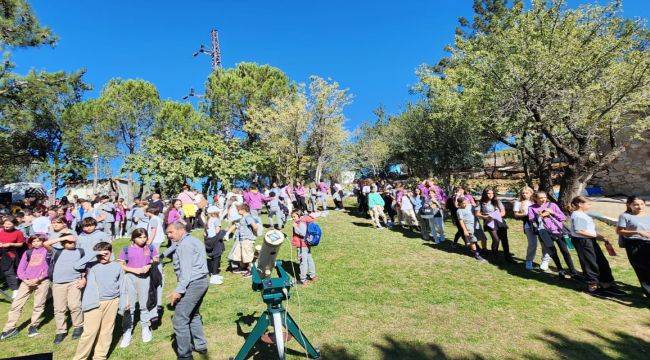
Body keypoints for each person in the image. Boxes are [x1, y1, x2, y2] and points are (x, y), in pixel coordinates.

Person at [72, 242, 124, 360]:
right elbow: (76, 265)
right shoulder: (91, 265)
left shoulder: (117, 266)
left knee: (106, 331)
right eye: (100, 255)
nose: (103, 257)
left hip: (112, 302)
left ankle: (100, 356)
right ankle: (80, 357)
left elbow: (122, 285)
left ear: (111, 253)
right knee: (89, 333)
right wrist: (95, 253)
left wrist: (123, 302)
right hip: (94, 303)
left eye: (106, 254)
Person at [165, 221, 209, 360]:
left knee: (179, 319)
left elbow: (186, 273)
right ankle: (200, 345)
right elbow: (172, 249)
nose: (169, 236)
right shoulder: (192, 240)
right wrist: (160, 256)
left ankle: (185, 356)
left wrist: (178, 291)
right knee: (193, 314)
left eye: (171, 232)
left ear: (181, 230)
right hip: (201, 280)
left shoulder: (184, 245)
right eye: (167, 233)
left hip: (193, 283)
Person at [570, 196, 624, 297]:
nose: (590, 205)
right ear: (580, 204)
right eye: (588, 204)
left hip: (589, 240)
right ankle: (592, 287)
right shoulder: (578, 215)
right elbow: (580, 231)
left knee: (601, 262)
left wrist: (601, 238)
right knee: (590, 263)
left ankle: (607, 285)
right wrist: (597, 236)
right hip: (583, 241)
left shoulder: (582, 214)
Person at [1, 234, 50, 340]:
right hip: (26, 282)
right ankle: (9, 328)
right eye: (34, 241)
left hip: (41, 282)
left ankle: (33, 326)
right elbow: (20, 268)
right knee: (16, 305)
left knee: (38, 305)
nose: (36, 243)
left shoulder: (48, 252)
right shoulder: (28, 252)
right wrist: (25, 280)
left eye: (38, 241)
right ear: (30, 243)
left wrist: (39, 278)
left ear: (43, 241)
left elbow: (49, 268)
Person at [118, 229, 157, 347]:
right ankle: (127, 330)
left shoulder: (150, 247)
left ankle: (145, 327)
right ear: (133, 238)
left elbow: (156, 259)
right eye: (139, 237)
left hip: (145, 278)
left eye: (144, 237)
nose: (143, 240)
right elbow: (121, 265)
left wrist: (149, 265)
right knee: (128, 306)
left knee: (144, 304)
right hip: (129, 278)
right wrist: (135, 270)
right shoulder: (126, 249)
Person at [44, 232, 85, 344]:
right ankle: (61, 331)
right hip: (58, 284)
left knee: (75, 305)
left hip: (74, 282)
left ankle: (78, 326)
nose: (71, 243)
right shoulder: (57, 251)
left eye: (72, 241)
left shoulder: (80, 251)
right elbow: (46, 243)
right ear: (62, 243)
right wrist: (65, 237)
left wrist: (83, 279)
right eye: (68, 241)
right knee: (59, 308)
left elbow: (83, 268)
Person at [528, 191, 578, 279]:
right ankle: (560, 270)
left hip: (558, 231)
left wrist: (552, 212)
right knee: (553, 252)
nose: (543, 199)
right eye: (540, 198)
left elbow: (563, 217)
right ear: (535, 198)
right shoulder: (531, 208)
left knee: (565, 251)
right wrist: (540, 216)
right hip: (544, 232)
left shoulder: (553, 205)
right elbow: (532, 220)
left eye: (544, 197)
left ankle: (573, 271)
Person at [616, 196, 650, 298]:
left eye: (642, 204)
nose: (639, 206)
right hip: (634, 244)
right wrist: (638, 232)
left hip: (648, 244)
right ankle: (647, 291)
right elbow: (619, 231)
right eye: (636, 204)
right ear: (629, 205)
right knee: (641, 268)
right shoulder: (625, 216)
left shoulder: (648, 216)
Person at [514, 187, 550, 271]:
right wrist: (527, 214)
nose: (524, 194)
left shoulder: (536, 201)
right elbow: (516, 215)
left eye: (526, 193)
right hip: (528, 224)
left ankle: (545, 261)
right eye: (523, 193)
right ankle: (529, 261)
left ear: (531, 193)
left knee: (544, 243)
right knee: (532, 244)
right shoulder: (519, 202)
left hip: (542, 224)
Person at [476, 188, 514, 263]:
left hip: (499, 220)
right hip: (488, 221)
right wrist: (485, 217)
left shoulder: (497, 201)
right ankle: (494, 256)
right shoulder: (480, 203)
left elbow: (503, 212)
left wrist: (496, 215)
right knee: (496, 239)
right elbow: (477, 213)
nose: (491, 195)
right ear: (485, 194)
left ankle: (507, 257)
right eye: (488, 193)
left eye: (492, 193)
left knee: (504, 239)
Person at [226, 204, 259, 277]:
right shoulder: (243, 218)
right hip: (242, 239)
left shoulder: (248, 217)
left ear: (243, 210)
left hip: (247, 239)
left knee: (248, 255)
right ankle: (243, 268)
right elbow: (237, 225)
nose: (237, 211)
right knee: (241, 254)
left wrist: (254, 233)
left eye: (238, 210)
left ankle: (252, 271)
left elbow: (255, 226)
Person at [0, 216, 25, 298]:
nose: (6, 225)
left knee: (8, 272)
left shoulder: (18, 233)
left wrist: (10, 244)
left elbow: (20, 244)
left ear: (14, 224)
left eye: (8, 224)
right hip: (1, 252)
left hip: (11, 254)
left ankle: (15, 289)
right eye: (5, 223)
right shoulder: (1, 231)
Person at [456, 197, 487, 262]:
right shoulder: (459, 211)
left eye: (466, 202)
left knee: (483, 238)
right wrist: (465, 230)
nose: (465, 204)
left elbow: (477, 211)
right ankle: (476, 254)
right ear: (459, 203)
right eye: (463, 203)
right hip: (468, 226)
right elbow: (461, 221)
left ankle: (484, 250)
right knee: (472, 240)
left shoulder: (470, 206)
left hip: (477, 225)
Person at [291, 210, 317, 285]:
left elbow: (303, 233)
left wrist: (295, 227)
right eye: (292, 217)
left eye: (294, 216)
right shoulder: (303, 220)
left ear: (299, 215)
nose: (293, 218)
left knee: (303, 262)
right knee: (309, 259)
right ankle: (313, 276)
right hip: (306, 244)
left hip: (302, 245)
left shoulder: (301, 222)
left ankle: (303, 279)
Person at [205, 206, 225, 285]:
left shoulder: (209, 220)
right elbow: (217, 231)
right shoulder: (216, 220)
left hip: (210, 240)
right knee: (217, 257)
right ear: (215, 213)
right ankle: (214, 276)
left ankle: (215, 274)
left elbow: (205, 232)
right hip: (216, 240)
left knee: (213, 257)